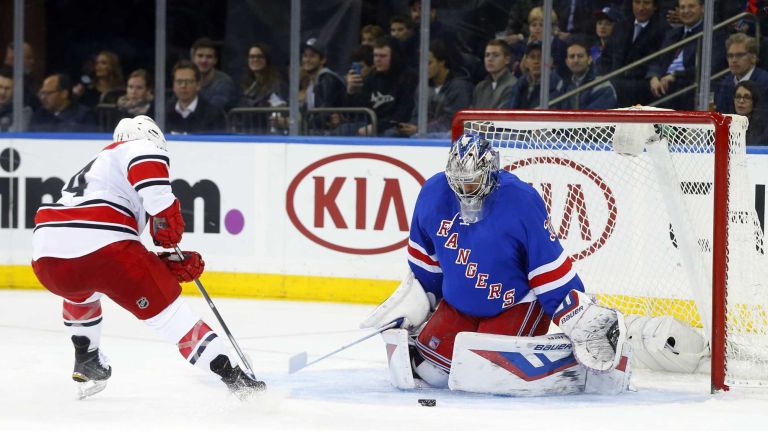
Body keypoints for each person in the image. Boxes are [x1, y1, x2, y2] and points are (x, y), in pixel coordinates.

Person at [361, 133, 628, 391]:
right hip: (460, 305)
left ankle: (568, 363)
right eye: (459, 182)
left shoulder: (521, 201)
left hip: (516, 304)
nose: (465, 191)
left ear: (490, 174)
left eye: (473, 182)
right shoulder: (433, 194)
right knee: (431, 375)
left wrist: (575, 315)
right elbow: (426, 263)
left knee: (485, 379)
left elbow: (548, 268)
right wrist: (422, 304)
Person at [30, 115, 265, 399]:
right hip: (105, 247)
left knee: (82, 293)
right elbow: (112, 250)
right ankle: (238, 381)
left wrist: (160, 264)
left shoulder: (97, 168)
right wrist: (166, 216)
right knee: (173, 320)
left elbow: (93, 247)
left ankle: (86, 356)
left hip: (47, 256)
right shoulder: (138, 146)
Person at [647, 0, 726, 110]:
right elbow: (657, 59)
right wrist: (654, 77)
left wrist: (675, 75)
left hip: (687, 84)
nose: (686, 11)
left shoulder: (713, 34)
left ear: (702, 8)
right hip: (664, 83)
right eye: (682, 7)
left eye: (691, 6)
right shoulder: (672, 33)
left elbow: (709, 67)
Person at [395, 40, 473, 138]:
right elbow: (417, 115)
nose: (424, 68)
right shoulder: (423, 86)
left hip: (447, 138)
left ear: (442, 62)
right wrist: (410, 126)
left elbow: (451, 121)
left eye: (429, 63)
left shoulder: (460, 86)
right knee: (391, 134)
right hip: (423, 133)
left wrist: (419, 129)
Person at [345, 37, 417, 136]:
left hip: (396, 126)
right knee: (344, 129)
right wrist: (351, 92)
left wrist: (376, 127)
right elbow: (357, 111)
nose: (377, 60)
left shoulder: (408, 77)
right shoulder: (372, 76)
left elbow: (403, 113)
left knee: (389, 134)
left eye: (382, 56)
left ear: (394, 56)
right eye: (375, 55)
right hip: (372, 124)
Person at [609, 0, 669, 107]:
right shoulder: (620, 26)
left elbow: (660, 61)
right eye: (637, 2)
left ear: (655, 7)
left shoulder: (663, 30)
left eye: (646, 3)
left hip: (642, 86)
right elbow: (606, 57)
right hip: (615, 82)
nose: (641, 8)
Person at [166, 60, 226, 134]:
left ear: (198, 84)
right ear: (173, 85)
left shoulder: (214, 114)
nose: (183, 86)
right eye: (179, 81)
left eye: (188, 81)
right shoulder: (164, 111)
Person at [714, 33, 768, 115]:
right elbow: (721, 115)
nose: (734, 60)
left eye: (739, 55)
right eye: (730, 56)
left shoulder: (765, 82)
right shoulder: (726, 82)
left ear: (753, 57)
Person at [556, 39, 617, 109]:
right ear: (566, 62)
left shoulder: (602, 84)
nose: (576, 60)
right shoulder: (562, 84)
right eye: (572, 56)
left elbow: (593, 116)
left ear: (589, 59)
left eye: (580, 56)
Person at [504, 41, 563, 109]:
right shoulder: (519, 84)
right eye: (532, 57)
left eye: (540, 57)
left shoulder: (558, 85)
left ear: (550, 61)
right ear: (526, 62)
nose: (536, 61)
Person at [30, 73, 97, 132]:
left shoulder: (84, 115)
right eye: (42, 93)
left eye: (48, 93)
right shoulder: (39, 115)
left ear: (64, 94)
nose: (43, 97)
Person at [190, 37, 239, 111]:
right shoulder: (188, 79)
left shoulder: (224, 82)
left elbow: (211, 111)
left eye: (209, 57)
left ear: (215, 61)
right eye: (200, 56)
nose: (204, 60)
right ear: (193, 59)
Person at [472, 39, 517, 109]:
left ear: (507, 60)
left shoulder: (513, 85)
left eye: (495, 55)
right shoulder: (480, 87)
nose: (490, 59)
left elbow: (502, 116)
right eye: (487, 55)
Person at [240, 43, 286, 108]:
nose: (255, 59)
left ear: (267, 60)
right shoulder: (247, 84)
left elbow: (278, 108)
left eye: (259, 56)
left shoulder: (276, 85)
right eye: (252, 57)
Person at [734, 81, 768, 146]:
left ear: (754, 101)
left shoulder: (764, 126)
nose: (741, 101)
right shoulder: (727, 122)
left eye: (747, 97)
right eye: (738, 96)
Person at [0, 66, 33, 131]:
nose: (2, 92)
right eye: (0, 87)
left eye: (7, 88)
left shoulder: (24, 111)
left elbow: (13, 137)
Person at [590, 6, 621, 76]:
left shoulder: (619, 49)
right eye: (599, 23)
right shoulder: (594, 48)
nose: (602, 27)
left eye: (608, 24)